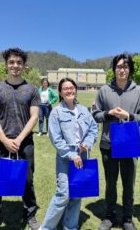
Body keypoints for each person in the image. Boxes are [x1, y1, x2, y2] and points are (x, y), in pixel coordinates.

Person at [92, 53, 140, 230]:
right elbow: (95, 114)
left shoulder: (139, 91)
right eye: (118, 66)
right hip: (108, 144)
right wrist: (108, 114)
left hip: (129, 144)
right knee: (110, 182)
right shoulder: (104, 90)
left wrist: (129, 116)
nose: (122, 70)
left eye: (125, 66)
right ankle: (109, 216)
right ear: (114, 69)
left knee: (128, 183)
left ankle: (127, 218)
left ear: (129, 69)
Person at [0, 48, 40, 230]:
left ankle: (30, 214)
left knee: (27, 180)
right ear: (6, 65)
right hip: (0, 141)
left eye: (19, 62)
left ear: (24, 65)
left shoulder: (32, 89)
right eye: (12, 62)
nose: (15, 66)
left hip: (24, 142)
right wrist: (4, 139)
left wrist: (18, 139)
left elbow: (34, 116)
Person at [40, 78, 98, 230]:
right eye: (65, 88)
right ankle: (46, 228)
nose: (69, 90)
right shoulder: (56, 113)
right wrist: (72, 155)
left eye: (71, 87)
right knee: (63, 194)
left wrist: (88, 143)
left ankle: (70, 226)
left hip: (83, 155)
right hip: (66, 157)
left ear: (76, 90)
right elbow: (56, 139)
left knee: (77, 192)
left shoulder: (84, 110)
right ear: (60, 92)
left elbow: (93, 129)